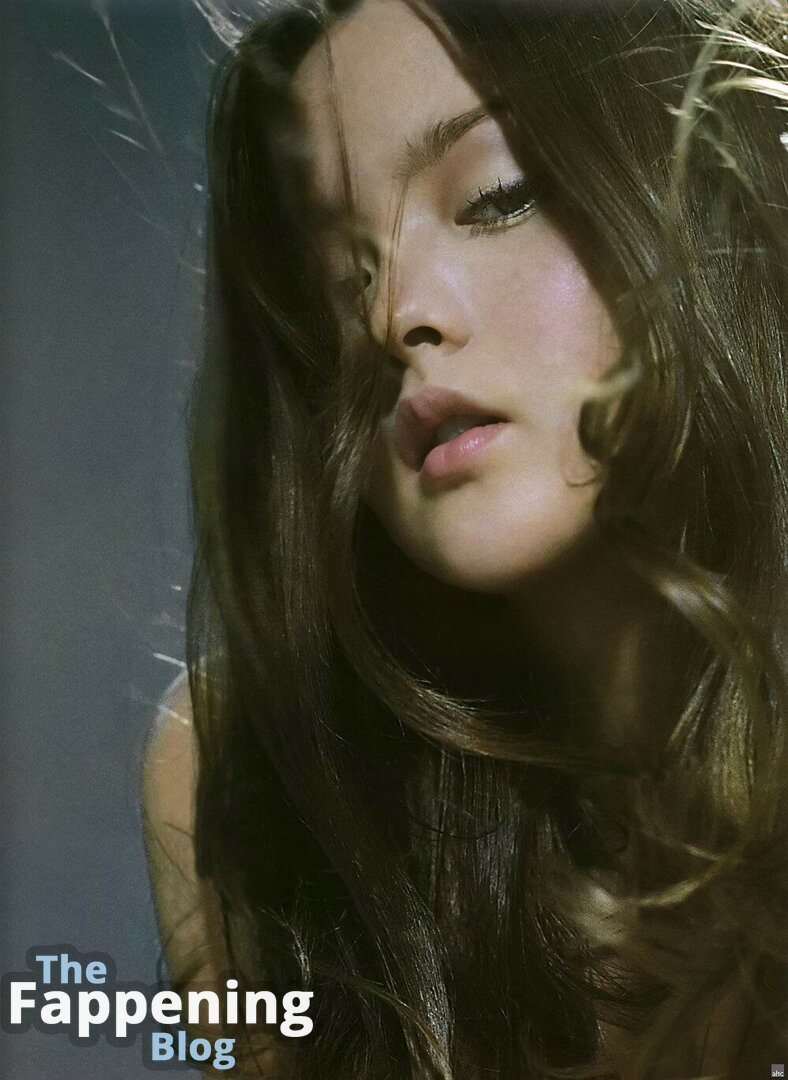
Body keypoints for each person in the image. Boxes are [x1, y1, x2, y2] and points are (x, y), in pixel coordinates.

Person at [143, 0, 788, 1076]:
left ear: (717, 188)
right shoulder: (253, 779)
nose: (393, 313)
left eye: (496, 196)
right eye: (340, 277)